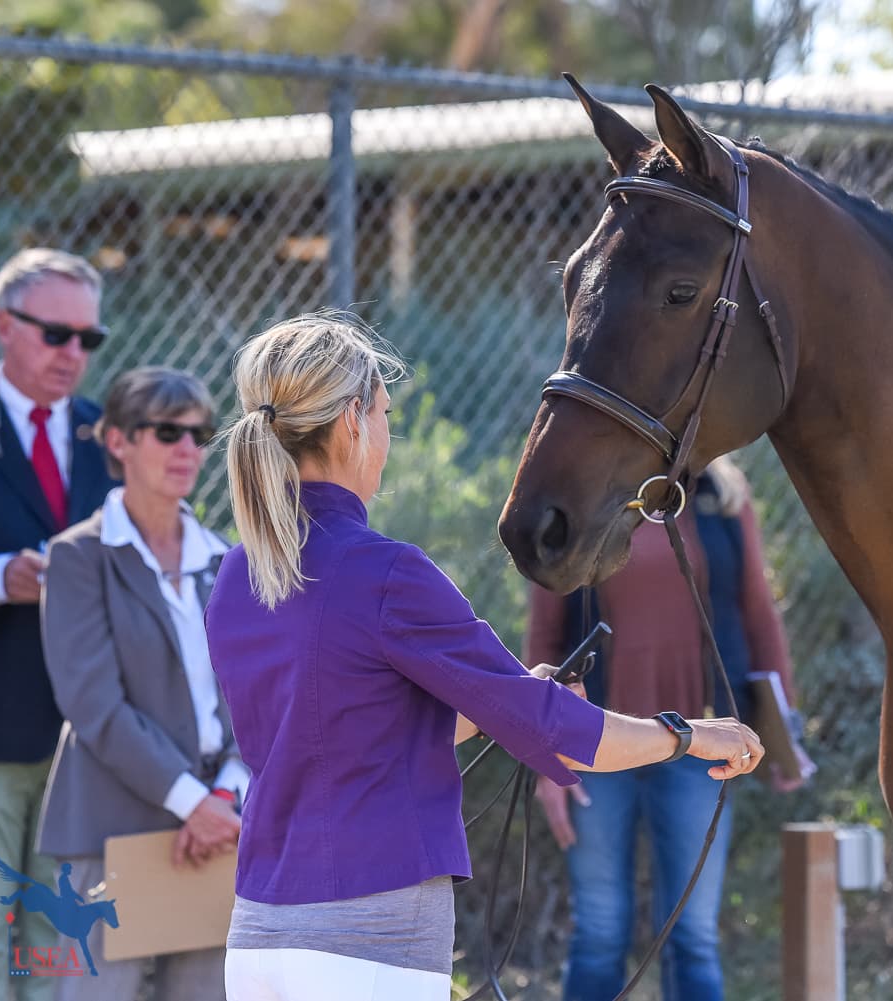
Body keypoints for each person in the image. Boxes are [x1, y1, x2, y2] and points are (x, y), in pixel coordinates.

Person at [204, 311, 763, 1001]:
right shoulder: (385, 573)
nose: (387, 438)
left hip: (257, 936)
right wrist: (687, 734)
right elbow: (558, 729)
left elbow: (347, 734)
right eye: (384, 415)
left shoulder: (239, 574)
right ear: (351, 422)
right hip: (369, 943)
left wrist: (505, 701)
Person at [527, 456, 813, 1001]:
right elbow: (545, 635)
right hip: (596, 745)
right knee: (599, 932)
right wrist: (543, 754)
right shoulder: (579, 491)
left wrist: (785, 731)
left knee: (692, 937)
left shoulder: (721, 495)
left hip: (703, 747)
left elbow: (758, 612)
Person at [37, 366, 242, 1001]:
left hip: (218, 829)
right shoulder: (77, 557)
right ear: (118, 441)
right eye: (167, 432)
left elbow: (256, 695)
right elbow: (93, 705)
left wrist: (226, 798)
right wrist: (193, 803)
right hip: (113, 829)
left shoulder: (227, 560)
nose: (187, 450)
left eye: (198, 435)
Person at [0, 249, 118, 1001]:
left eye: (88, 339)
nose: (73, 354)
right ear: (5, 324)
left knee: (56, 943)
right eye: (56, 334)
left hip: (85, 732)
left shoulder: (110, 438)